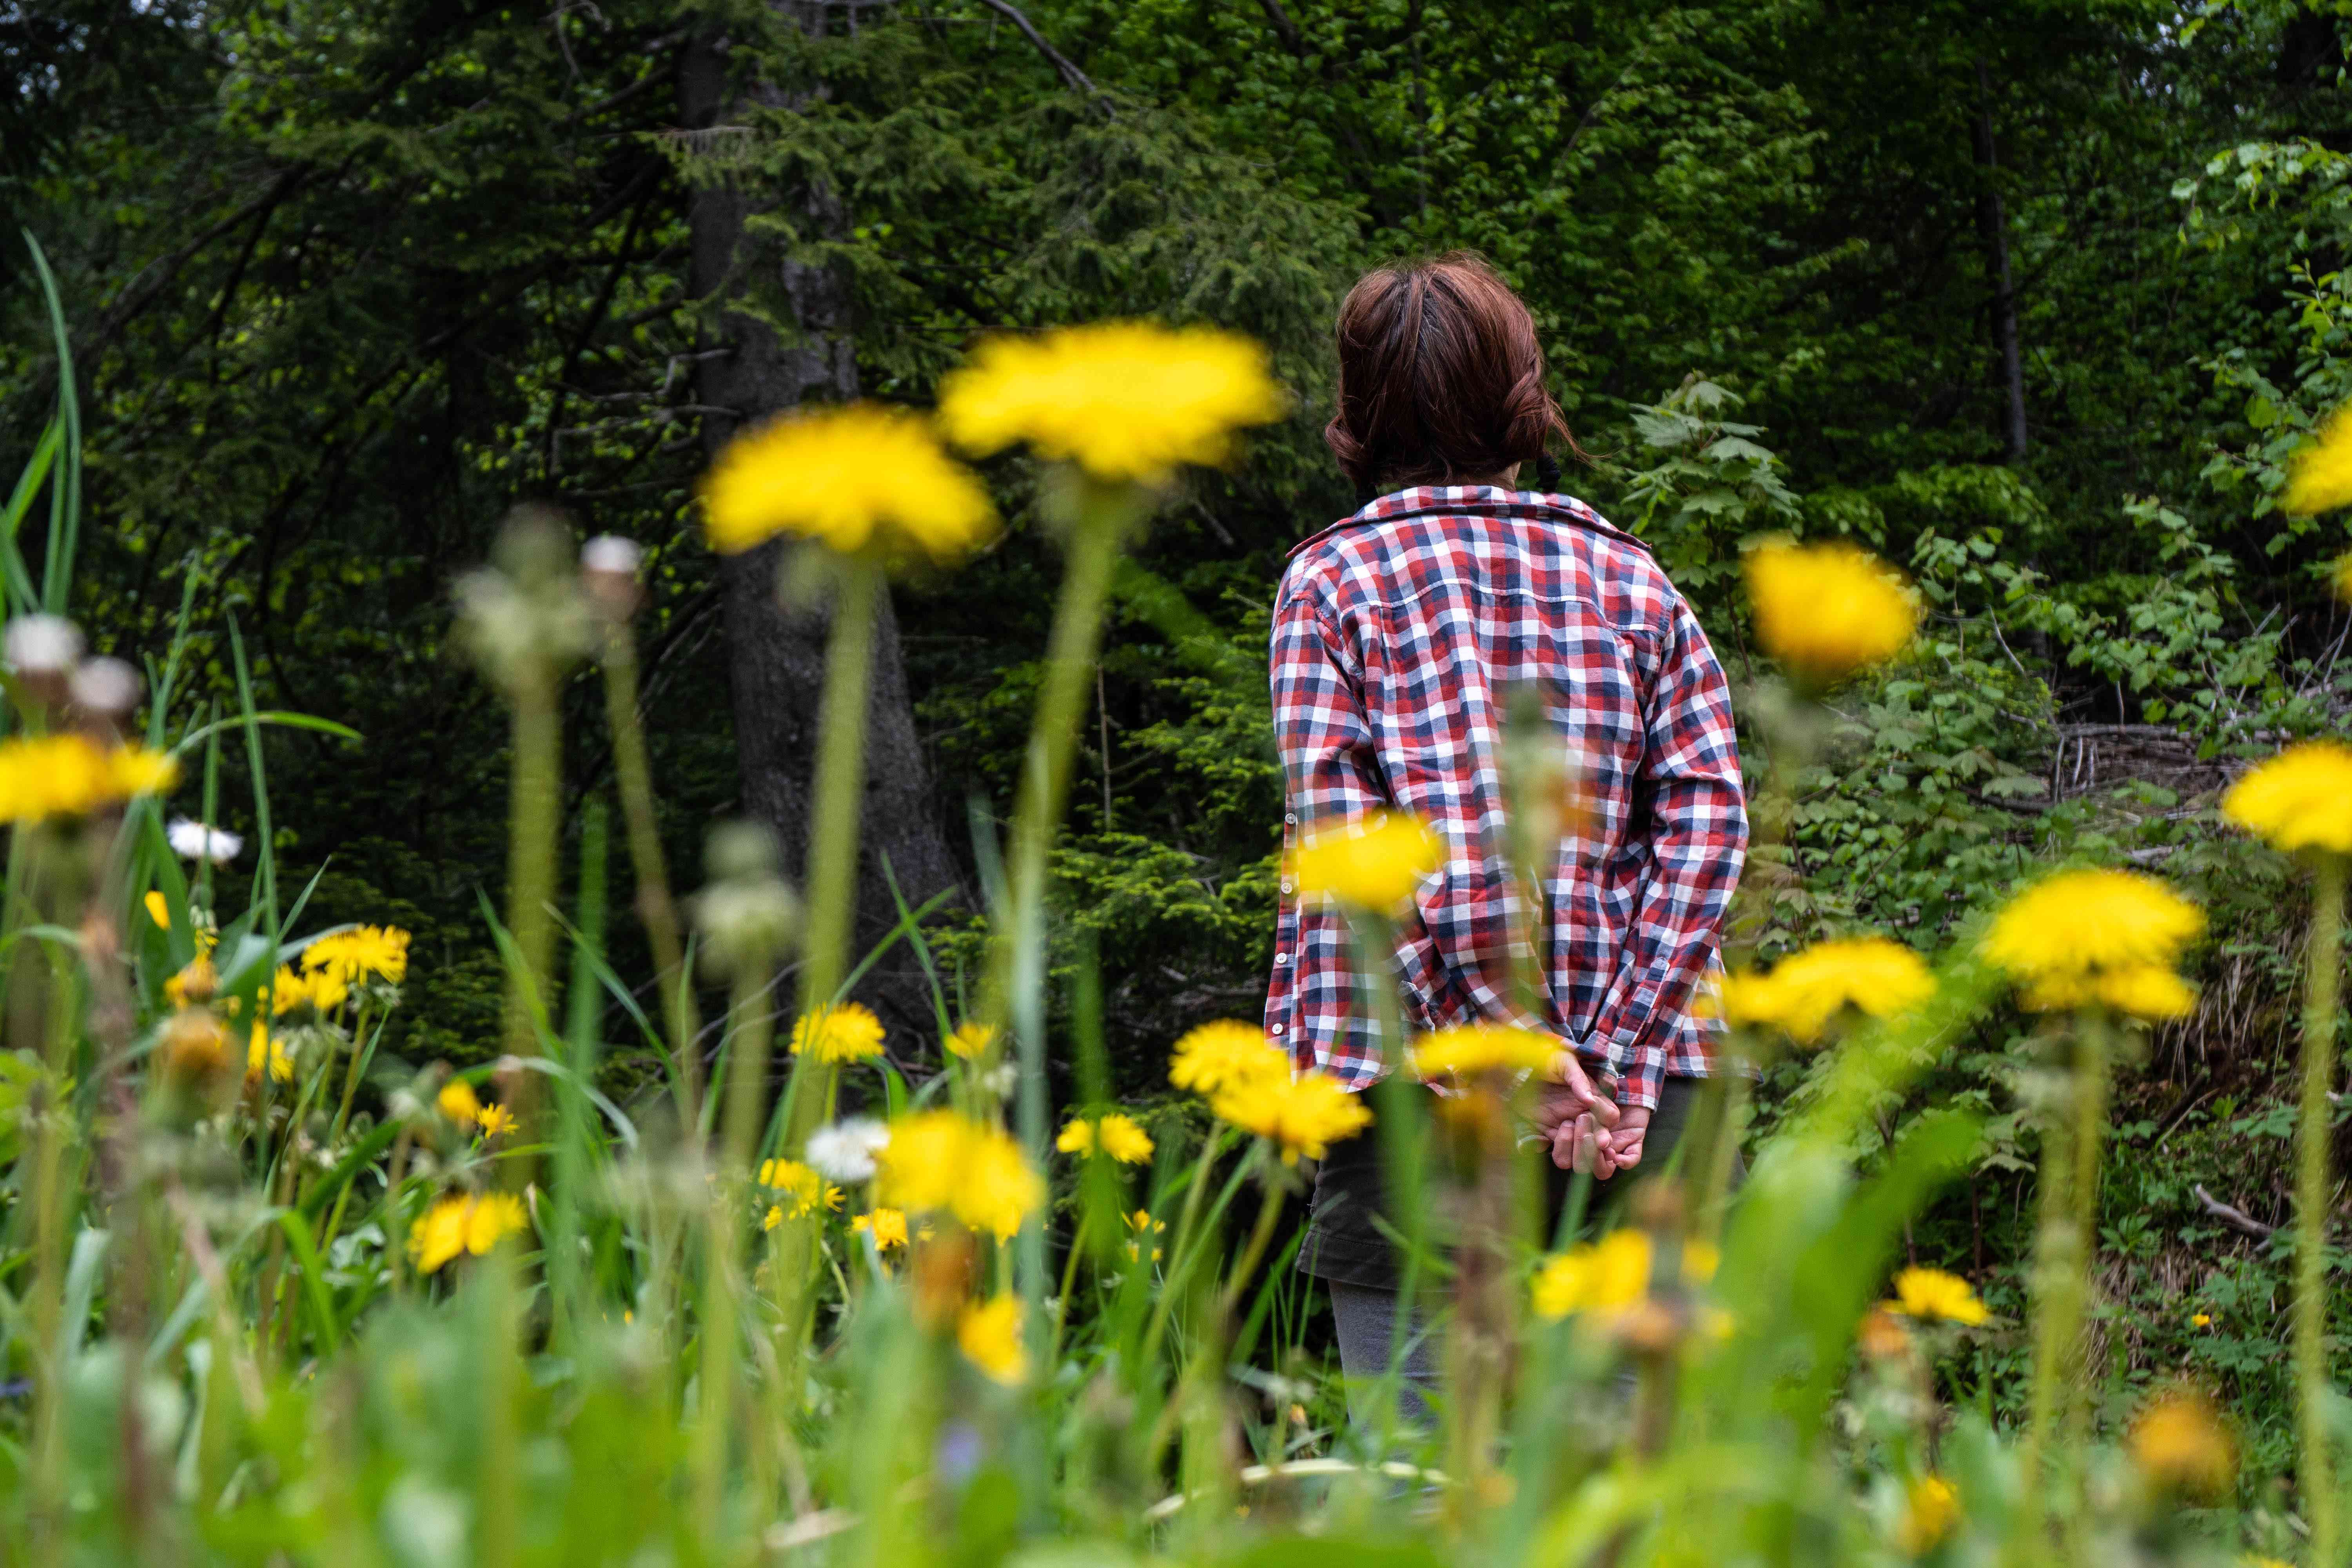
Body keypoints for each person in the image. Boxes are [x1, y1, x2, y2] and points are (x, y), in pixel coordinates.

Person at [1263, 252, 1748, 1424]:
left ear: (1358, 407)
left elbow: (1356, 843)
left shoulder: (1330, 584)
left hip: (1416, 1086)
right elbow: (1710, 818)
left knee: (1433, 1498)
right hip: (1645, 1098)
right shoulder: (1632, 581)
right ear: (1523, 395)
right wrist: (1617, 1056)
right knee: (1626, 1504)